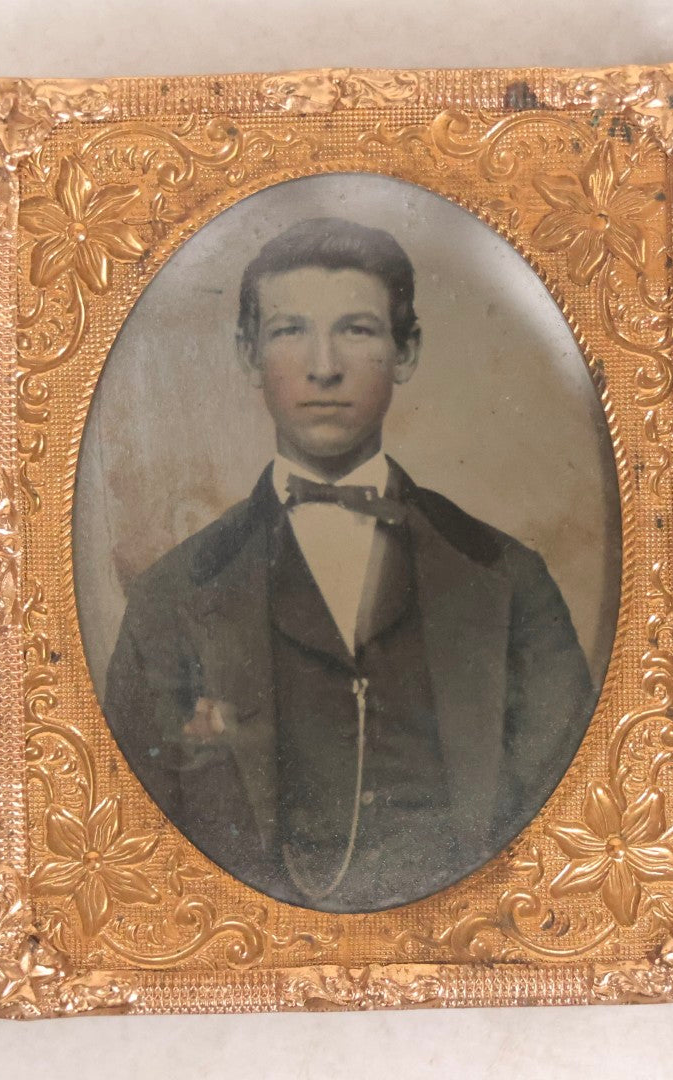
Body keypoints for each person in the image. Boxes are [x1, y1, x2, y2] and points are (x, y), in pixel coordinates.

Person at [104, 217, 594, 913]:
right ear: (247, 356)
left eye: (358, 330)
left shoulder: (509, 580)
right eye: (289, 331)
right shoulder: (173, 598)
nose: (324, 366)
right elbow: (133, 849)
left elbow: (571, 821)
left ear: (406, 351)